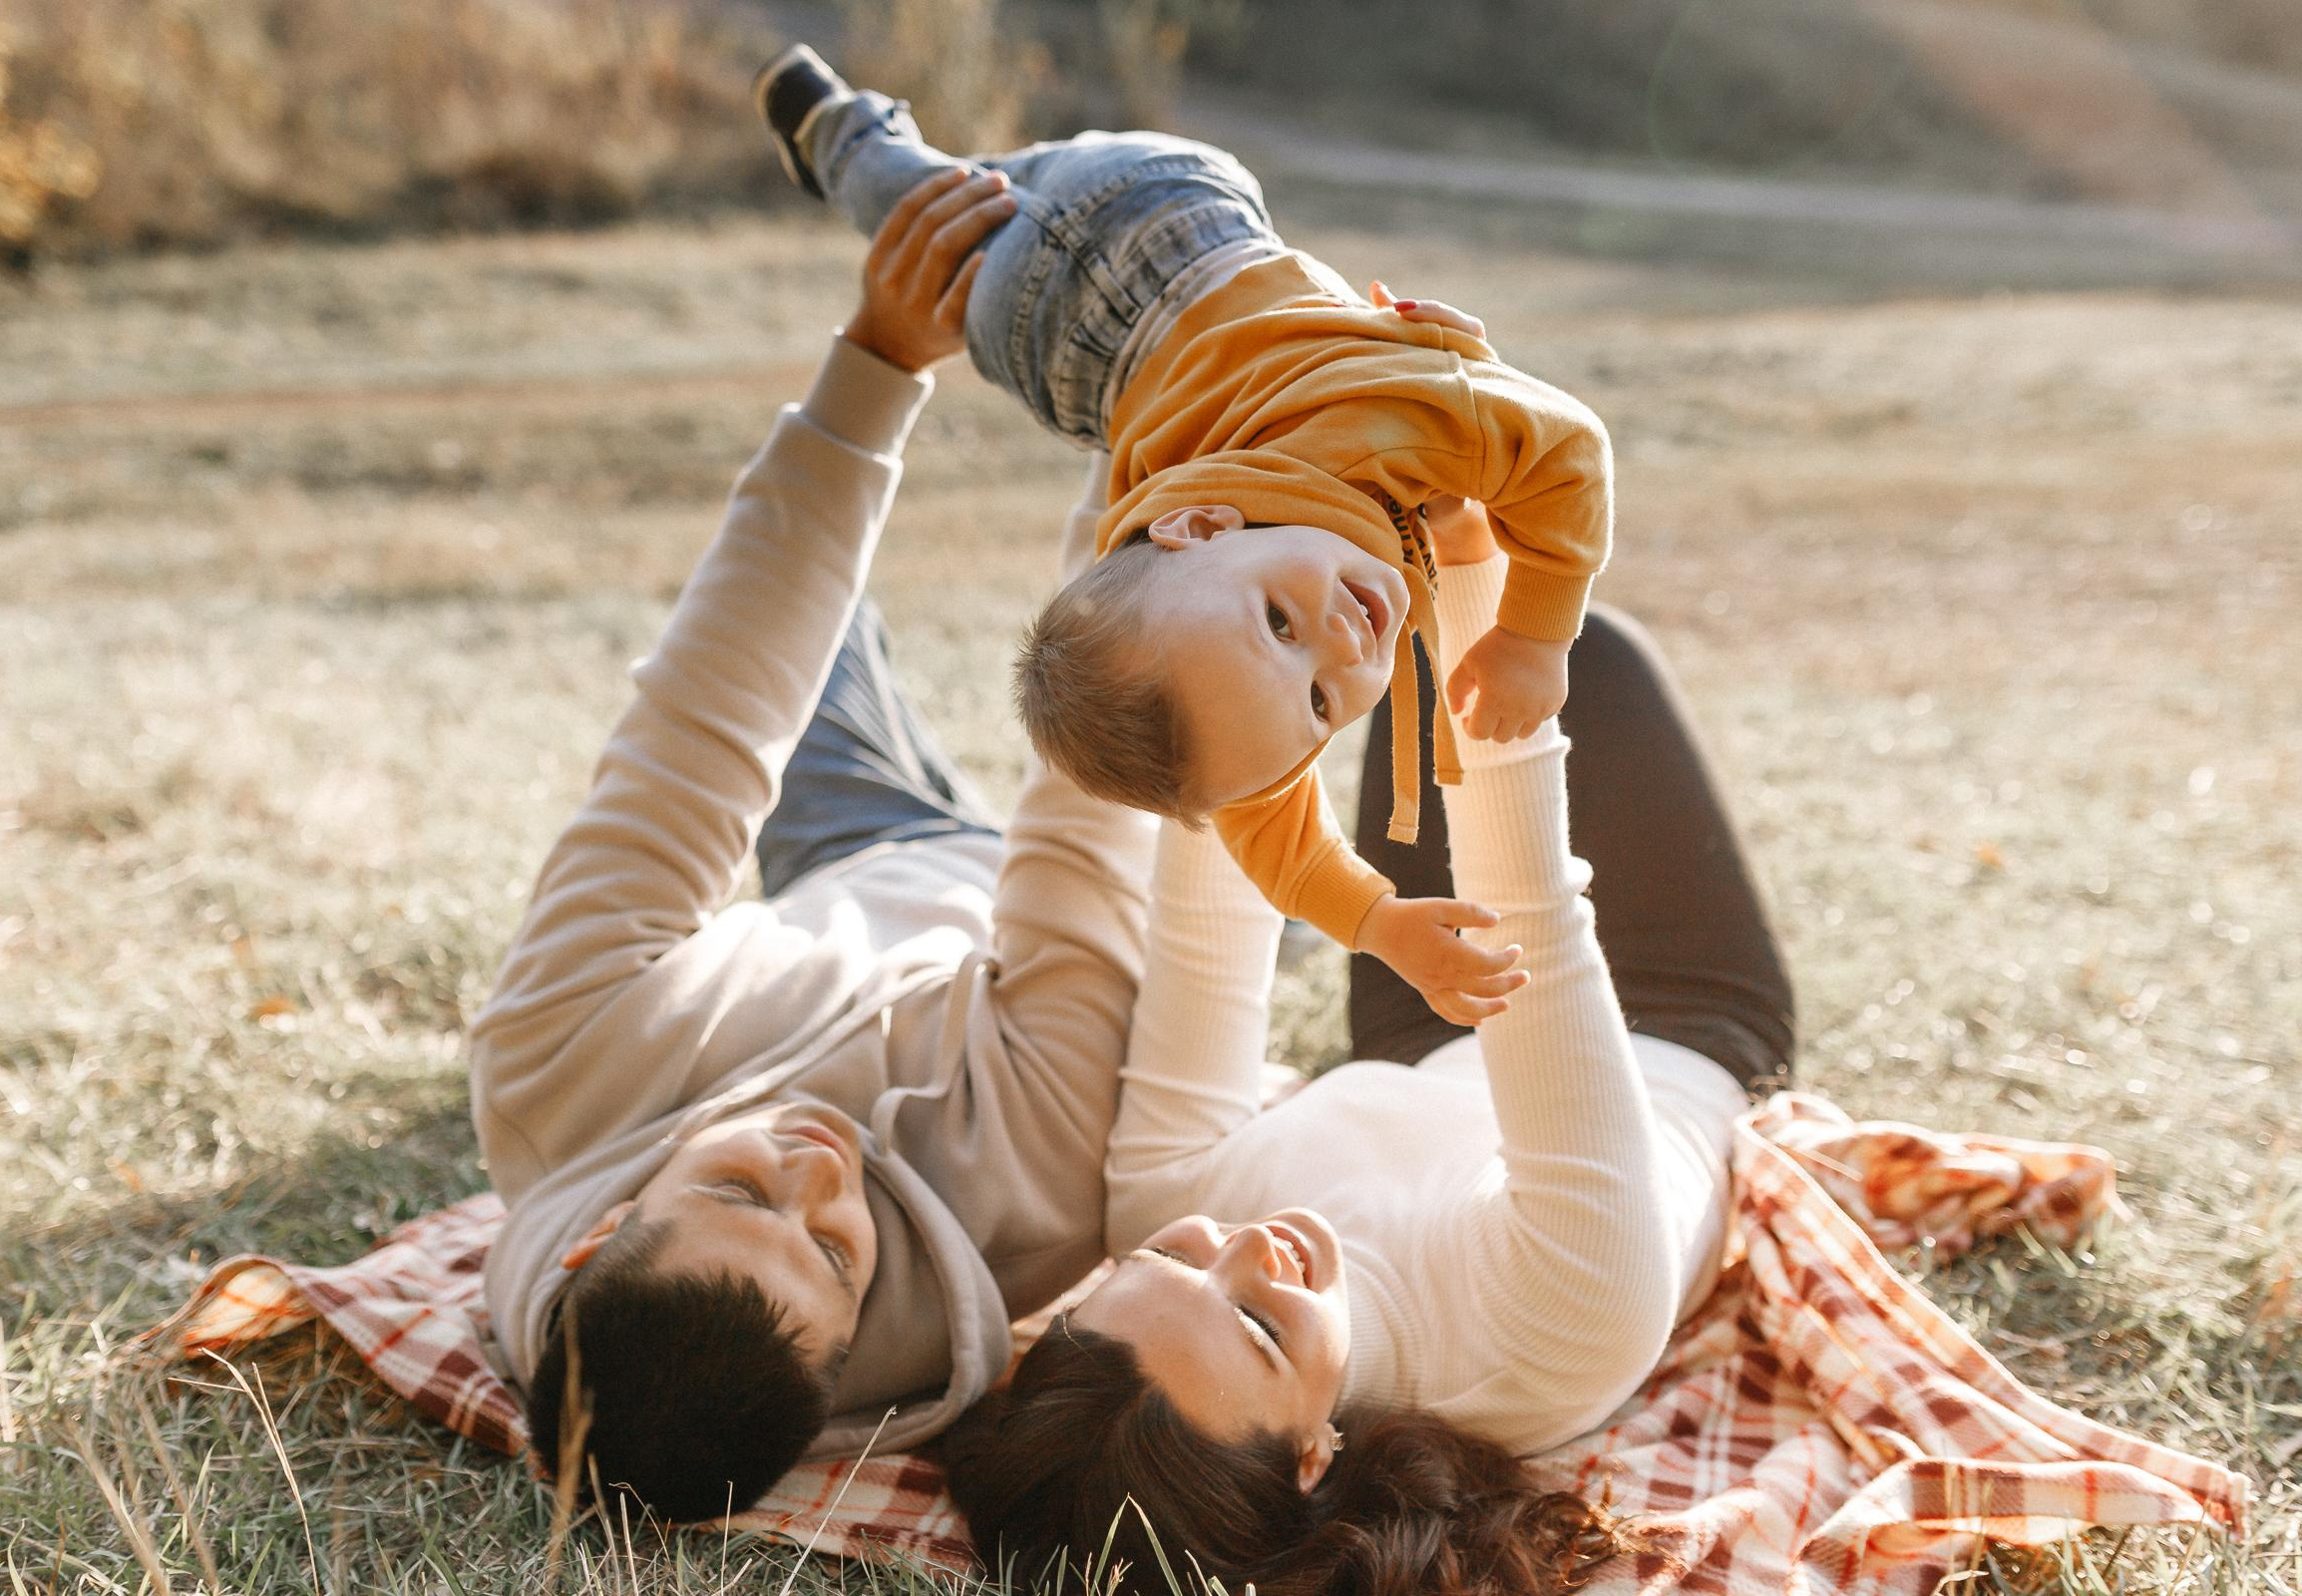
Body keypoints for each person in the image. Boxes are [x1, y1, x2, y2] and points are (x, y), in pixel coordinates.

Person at [939, 500, 1796, 1596]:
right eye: (1256, 1326)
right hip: (1679, 1011)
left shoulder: (1160, 1204)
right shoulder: (1556, 1328)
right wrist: (1485, 580)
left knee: (1397, 633)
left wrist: (1219, 580)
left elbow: (1207, 917)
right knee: (1570, 649)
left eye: (1167, 1263)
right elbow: (1531, 913)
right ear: (1312, 1458)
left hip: (1420, 1008)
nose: (1242, 1246)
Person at [469, 171, 1159, 1521]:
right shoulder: (1037, 1209)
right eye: (835, 1252)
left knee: (784, 604)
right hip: (1050, 905)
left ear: (603, 1230)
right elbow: (1088, 828)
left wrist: (882, 358)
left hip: (857, 849)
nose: (814, 1170)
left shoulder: (551, 1062)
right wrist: (1148, 431)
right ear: (852, 1340)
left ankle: (848, 143)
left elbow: (700, 723)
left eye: (736, 1185)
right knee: (1227, 681)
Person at [755, 45, 1612, 1028]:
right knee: (934, 206)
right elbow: (1280, 845)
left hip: (1161, 221)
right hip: (1056, 325)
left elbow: (1568, 453)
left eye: (1280, 623)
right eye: (1324, 701)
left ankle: (863, 150)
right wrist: (1381, 925)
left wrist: (1535, 637)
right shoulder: (1226, 707)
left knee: (945, 219)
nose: (1343, 642)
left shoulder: (1389, 416)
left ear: (1199, 522)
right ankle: (849, 138)